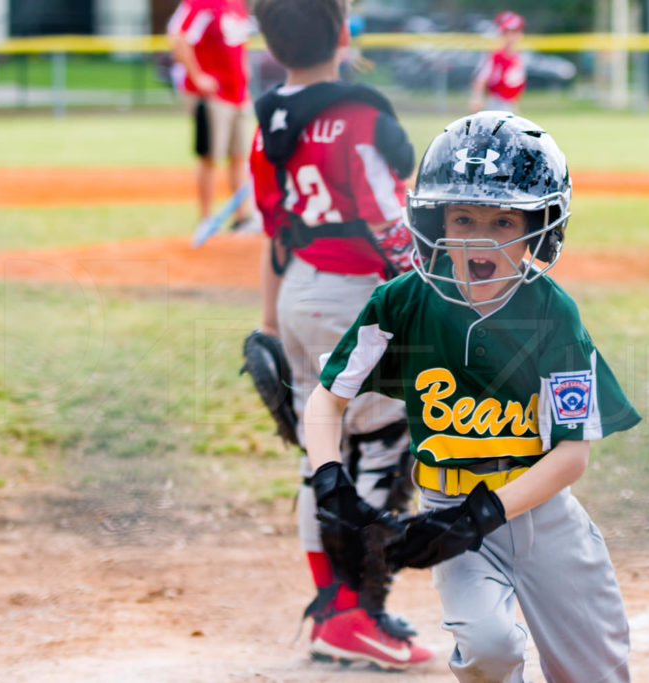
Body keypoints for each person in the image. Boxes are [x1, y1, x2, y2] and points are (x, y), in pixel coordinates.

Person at [303, 110, 642, 681]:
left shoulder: (551, 313)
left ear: (540, 228)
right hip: (445, 508)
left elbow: (571, 455)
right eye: (463, 217)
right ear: (436, 224)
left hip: (540, 515)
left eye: (504, 221)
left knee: (595, 671)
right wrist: (330, 481)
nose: (480, 238)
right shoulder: (401, 302)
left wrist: (481, 514)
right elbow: (326, 398)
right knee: (489, 650)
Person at [248, 0, 432, 669]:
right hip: (357, 297)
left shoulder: (268, 118)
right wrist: (438, 300)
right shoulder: (358, 116)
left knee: (318, 444)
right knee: (382, 443)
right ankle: (361, 609)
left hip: (299, 290)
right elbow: (391, 224)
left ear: (269, 41)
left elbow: (275, 229)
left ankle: (332, 605)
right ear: (345, 32)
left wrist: (269, 321)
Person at [167, 0, 255, 230]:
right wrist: (198, 77)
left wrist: (245, 83)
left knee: (238, 155)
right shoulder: (201, 3)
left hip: (238, 94)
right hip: (212, 96)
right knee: (210, 156)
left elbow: (239, 47)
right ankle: (206, 218)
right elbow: (178, 39)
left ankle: (241, 218)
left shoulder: (237, 5)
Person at [469, 11, 526, 113]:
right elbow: (481, 79)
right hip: (496, 102)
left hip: (509, 103)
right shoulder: (496, 56)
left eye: (515, 32)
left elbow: (515, 83)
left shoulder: (518, 56)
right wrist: (477, 98)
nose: (511, 37)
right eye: (507, 33)